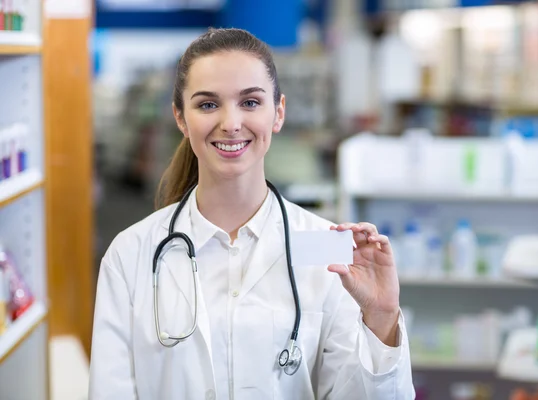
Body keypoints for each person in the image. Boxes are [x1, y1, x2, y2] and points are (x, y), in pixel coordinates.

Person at [89, 27, 415, 400]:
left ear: (278, 113)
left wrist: (381, 318)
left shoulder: (326, 247)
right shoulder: (132, 253)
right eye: (208, 104)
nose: (230, 123)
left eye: (250, 102)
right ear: (181, 118)